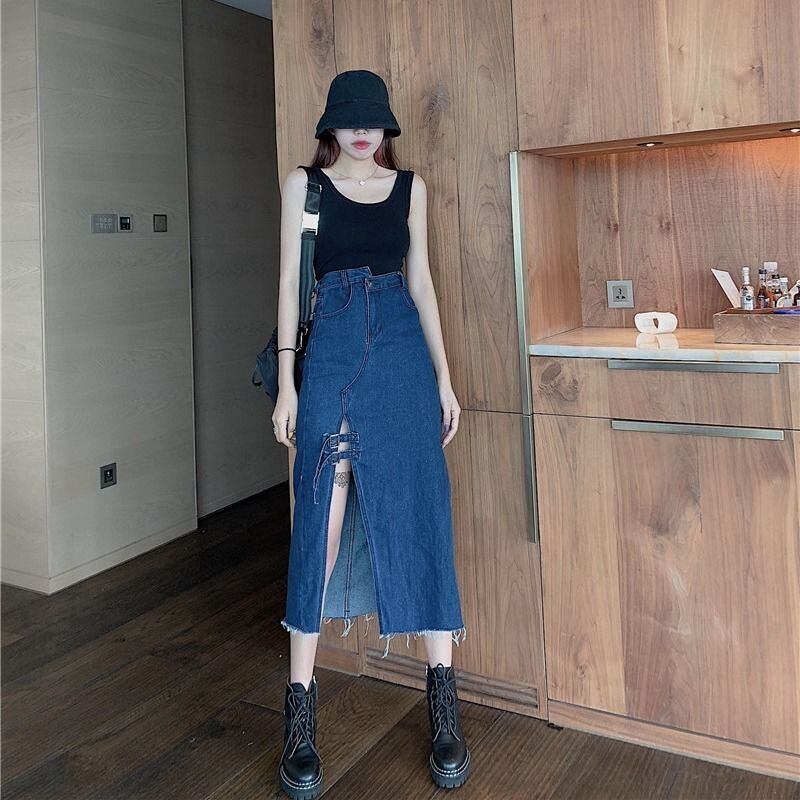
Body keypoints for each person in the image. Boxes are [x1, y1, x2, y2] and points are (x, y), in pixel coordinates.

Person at [271, 69, 471, 798]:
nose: (362, 132)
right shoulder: (306, 187)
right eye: (350, 119)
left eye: (373, 120)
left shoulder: (411, 189)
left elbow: (423, 282)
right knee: (317, 521)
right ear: (332, 125)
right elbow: (290, 283)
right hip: (329, 349)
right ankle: (299, 716)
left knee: (419, 510)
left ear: (386, 126)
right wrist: (288, 382)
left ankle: (443, 706)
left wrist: (444, 379)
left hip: (400, 351)